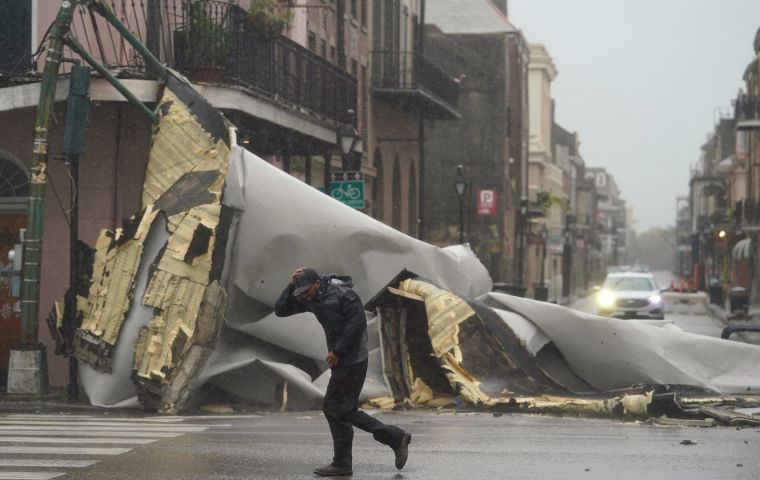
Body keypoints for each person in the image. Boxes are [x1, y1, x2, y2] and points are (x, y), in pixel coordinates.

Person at [275, 267, 411, 477]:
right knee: (341, 410)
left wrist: (338, 350)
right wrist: (291, 285)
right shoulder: (311, 297)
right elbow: (281, 310)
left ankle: (376, 446)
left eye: (306, 290)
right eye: (301, 292)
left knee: (336, 408)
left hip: (354, 359)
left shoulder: (344, 294)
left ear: (317, 283)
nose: (304, 296)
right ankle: (382, 443)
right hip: (342, 360)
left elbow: (357, 324)